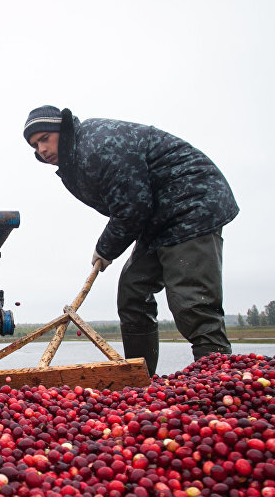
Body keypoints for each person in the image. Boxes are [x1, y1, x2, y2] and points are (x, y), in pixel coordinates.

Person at [23, 105, 239, 376]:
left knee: (192, 300)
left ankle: (218, 381)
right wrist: (109, 245)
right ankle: (140, 380)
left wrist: (106, 248)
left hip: (191, 203)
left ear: (62, 129)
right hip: (157, 218)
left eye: (45, 138)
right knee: (133, 291)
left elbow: (132, 205)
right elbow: (129, 206)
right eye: (35, 145)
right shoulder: (74, 160)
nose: (41, 149)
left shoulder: (97, 144)